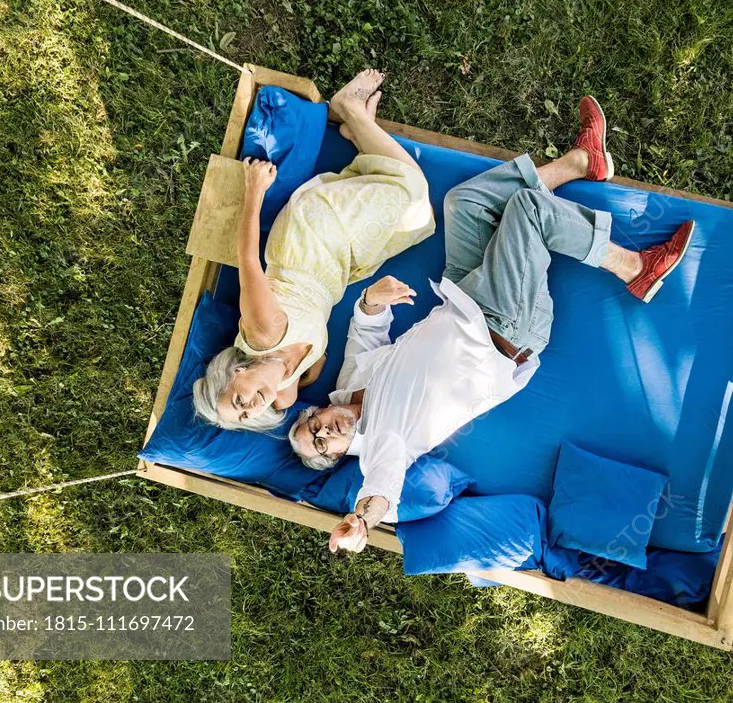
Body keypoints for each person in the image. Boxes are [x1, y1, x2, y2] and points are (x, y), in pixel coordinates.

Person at [287, 95, 695, 553]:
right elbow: (382, 491)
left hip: (461, 296)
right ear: (338, 456)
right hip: (505, 330)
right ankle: (636, 268)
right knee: (527, 211)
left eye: (314, 426)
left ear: (316, 410)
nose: (325, 433)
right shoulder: (383, 444)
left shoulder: (347, 385)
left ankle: (584, 161)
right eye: (321, 446)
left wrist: (370, 300)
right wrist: (362, 521)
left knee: (464, 202)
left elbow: (364, 330)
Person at [193, 69, 435, 432]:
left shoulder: (262, 333)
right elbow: (315, 359)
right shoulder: (286, 393)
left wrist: (254, 189)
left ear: (236, 372)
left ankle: (348, 108)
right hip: (336, 270)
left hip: (308, 240)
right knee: (417, 225)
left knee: (412, 192)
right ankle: (359, 132)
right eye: (246, 416)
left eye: (238, 400)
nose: (251, 408)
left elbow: (247, 259)